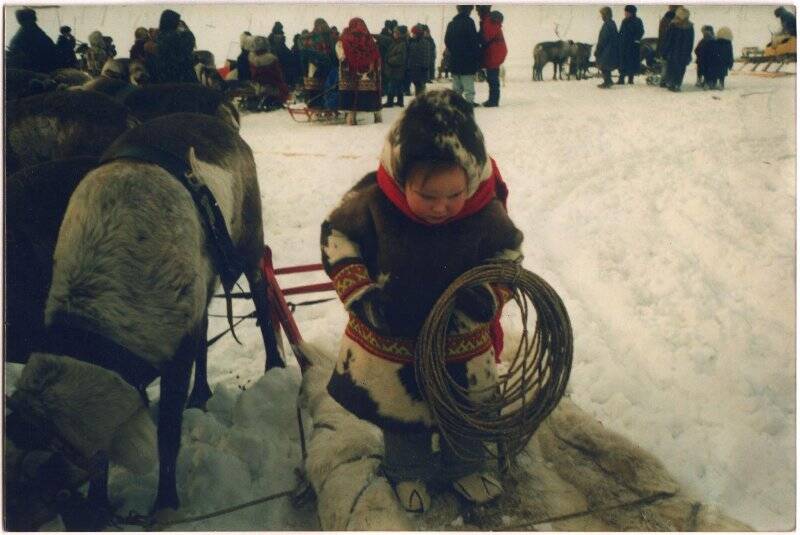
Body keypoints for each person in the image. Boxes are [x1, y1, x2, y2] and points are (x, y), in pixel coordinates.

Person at [321, 88, 523, 513]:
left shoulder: (484, 213)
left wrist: (486, 298)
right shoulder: (374, 202)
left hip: (460, 345)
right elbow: (337, 239)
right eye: (427, 196)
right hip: (395, 342)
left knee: (464, 414)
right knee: (403, 415)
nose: (442, 208)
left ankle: (463, 465)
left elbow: (508, 255)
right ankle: (407, 469)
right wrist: (362, 296)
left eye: (453, 195)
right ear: (401, 177)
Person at [336, 17, 382, 117]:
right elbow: (376, 56)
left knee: (350, 95)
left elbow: (341, 56)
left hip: (349, 71)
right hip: (368, 72)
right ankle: (376, 115)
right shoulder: (370, 39)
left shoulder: (343, 39)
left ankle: (352, 117)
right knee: (367, 92)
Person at [444, 5, 481, 105]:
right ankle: (469, 102)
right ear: (468, 10)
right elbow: (474, 42)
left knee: (456, 85)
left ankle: (456, 103)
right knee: (468, 84)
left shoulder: (451, 24)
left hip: (455, 59)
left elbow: (447, 40)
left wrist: (454, 50)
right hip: (467, 60)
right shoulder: (469, 22)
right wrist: (477, 57)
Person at [149, 9, 198, 84]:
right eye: (177, 23)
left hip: (163, 80)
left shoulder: (158, 38)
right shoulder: (183, 36)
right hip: (183, 79)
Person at [7, 8, 58, 73]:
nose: (36, 18)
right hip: (34, 65)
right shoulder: (30, 30)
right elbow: (47, 46)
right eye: (34, 16)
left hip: (34, 63)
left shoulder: (28, 29)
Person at [248, 35, 289, 110]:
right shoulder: (272, 59)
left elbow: (253, 75)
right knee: (283, 87)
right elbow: (278, 74)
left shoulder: (252, 59)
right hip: (272, 85)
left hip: (258, 86)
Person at [476, 6, 507, 107]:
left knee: (492, 78)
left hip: (494, 53)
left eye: (478, 10)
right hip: (495, 51)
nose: (477, 12)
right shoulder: (488, 20)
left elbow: (485, 38)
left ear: (482, 11)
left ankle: (493, 101)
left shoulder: (489, 21)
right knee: (492, 77)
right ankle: (493, 99)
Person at [660, 6, 694, 92]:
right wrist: (689, 53)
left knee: (672, 68)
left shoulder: (673, 25)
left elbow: (668, 40)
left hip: (673, 52)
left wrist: (664, 52)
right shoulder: (690, 27)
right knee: (681, 69)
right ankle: (677, 84)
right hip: (684, 52)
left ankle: (672, 84)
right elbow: (691, 42)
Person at [617, 5, 644, 84]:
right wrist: (619, 40)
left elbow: (641, 31)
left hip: (632, 46)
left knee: (631, 62)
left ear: (631, 13)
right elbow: (621, 32)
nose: (625, 13)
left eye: (627, 12)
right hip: (624, 45)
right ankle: (621, 79)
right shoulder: (624, 21)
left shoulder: (637, 21)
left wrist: (636, 39)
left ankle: (630, 79)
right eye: (625, 12)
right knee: (622, 61)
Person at [595, 6, 620, 88]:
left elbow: (603, 38)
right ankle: (608, 81)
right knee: (606, 65)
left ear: (606, 14)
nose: (601, 16)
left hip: (607, 49)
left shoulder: (607, 24)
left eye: (602, 14)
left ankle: (607, 82)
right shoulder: (612, 23)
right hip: (611, 48)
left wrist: (598, 49)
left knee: (603, 64)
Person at [383, 25, 408, 107]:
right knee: (398, 86)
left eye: (395, 32)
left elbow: (400, 57)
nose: (394, 34)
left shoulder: (402, 44)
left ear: (399, 34)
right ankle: (400, 101)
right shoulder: (397, 42)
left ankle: (390, 102)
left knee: (392, 86)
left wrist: (389, 60)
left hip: (397, 69)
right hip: (396, 69)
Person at [657, 5, 679, 87]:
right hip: (670, 46)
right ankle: (667, 81)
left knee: (665, 64)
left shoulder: (664, 20)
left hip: (664, 45)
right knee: (668, 65)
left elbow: (662, 35)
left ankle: (663, 81)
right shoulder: (673, 23)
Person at [407, 24, 432, 95]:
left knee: (420, 87)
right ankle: (419, 101)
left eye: (413, 33)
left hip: (421, 70)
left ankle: (422, 102)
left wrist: (425, 67)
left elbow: (426, 56)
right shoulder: (413, 42)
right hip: (414, 69)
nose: (412, 35)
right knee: (417, 86)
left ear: (417, 34)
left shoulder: (424, 43)